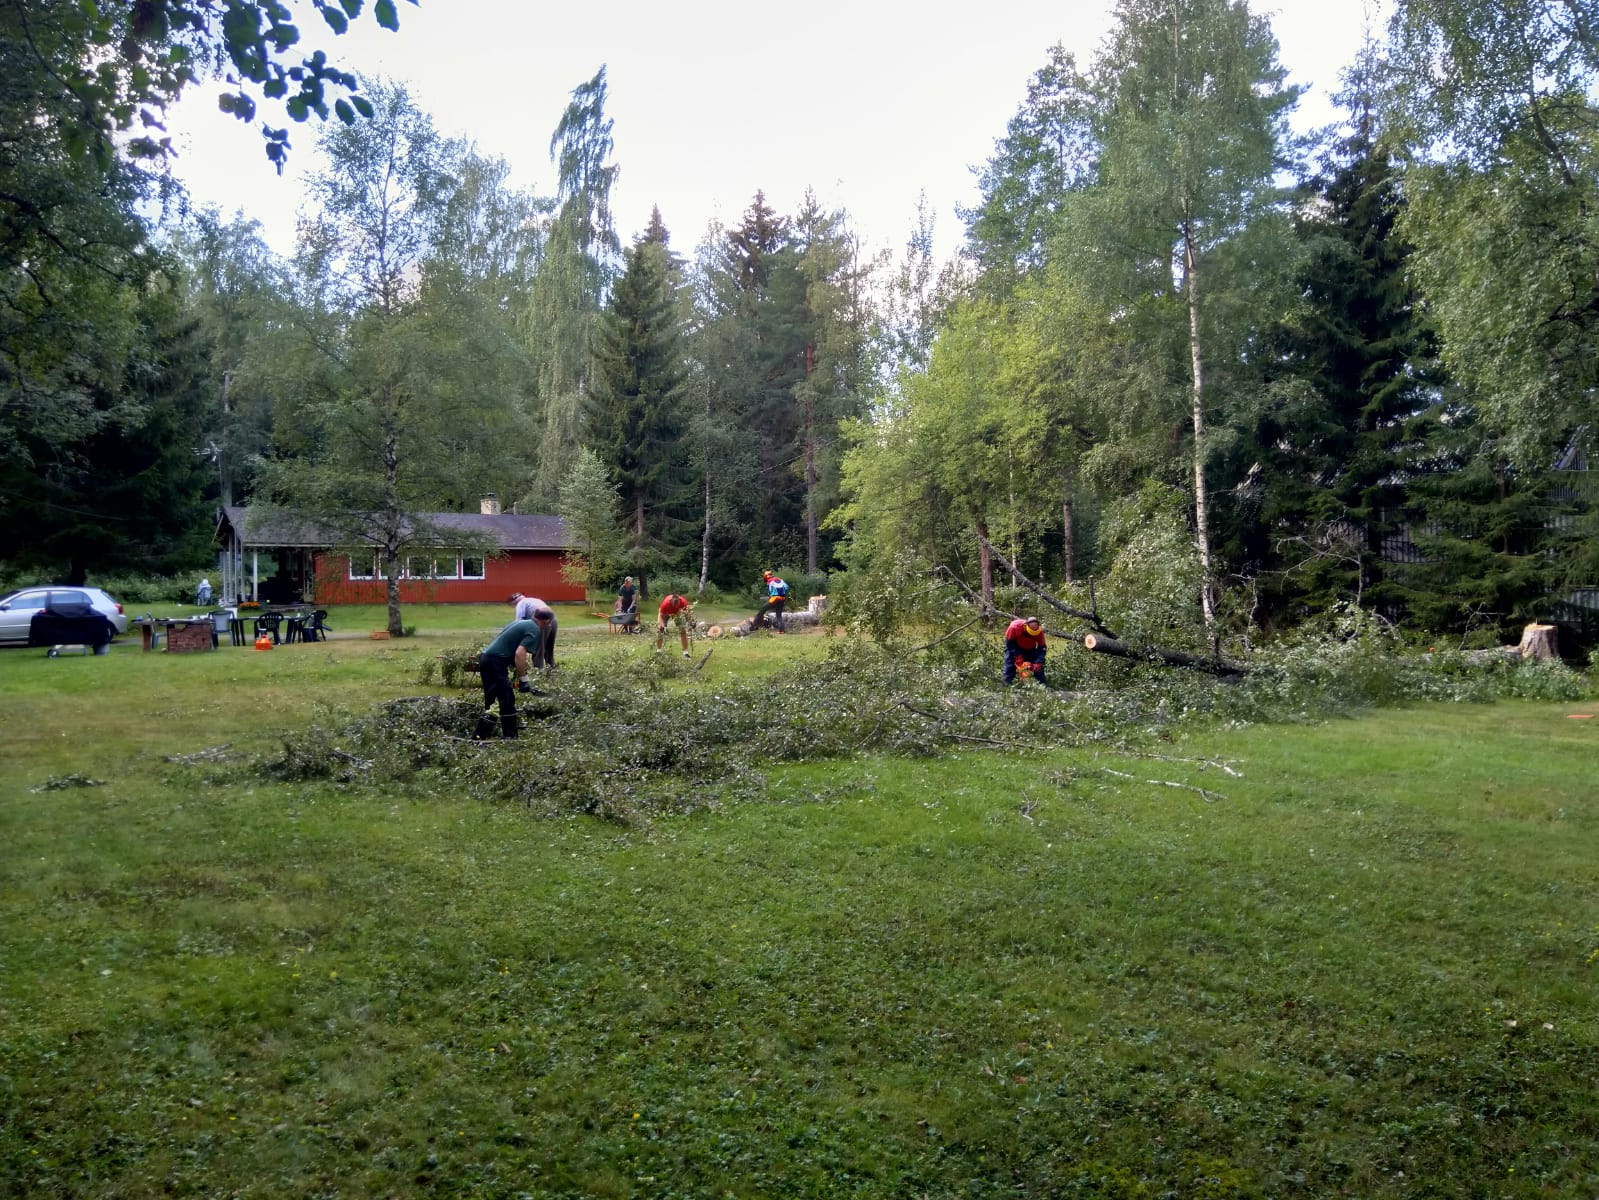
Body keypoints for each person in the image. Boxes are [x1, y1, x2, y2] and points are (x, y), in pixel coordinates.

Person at [474, 617, 546, 739]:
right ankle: (510, 738)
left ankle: (480, 738)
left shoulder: (521, 622)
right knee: (506, 700)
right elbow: (519, 653)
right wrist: (523, 680)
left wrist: (520, 679)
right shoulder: (533, 628)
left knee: (493, 701)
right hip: (495, 663)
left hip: (487, 659)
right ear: (546, 621)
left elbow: (513, 655)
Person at [507, 594, 557, 684]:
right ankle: (552, 672)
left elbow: (519, 621)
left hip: (543, 621)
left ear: (514, 602)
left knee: (539, 649)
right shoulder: (533, 599)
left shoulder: (521, 604)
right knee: (549, 649)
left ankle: (539, 674)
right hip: (553, 619)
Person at [1003, 616, 1047, 685]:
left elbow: (1042, 648)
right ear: (1025, 627)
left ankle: (1043, 687)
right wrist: (1017, 656)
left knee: (1038, 670)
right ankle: (1007, 687)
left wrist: (1039, 662)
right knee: (1009, 666)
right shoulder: (1014, 627)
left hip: (1030, 648)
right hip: (1014, 646)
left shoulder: (1039, 632)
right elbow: (1009, 644)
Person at [656, 592, 693, 657]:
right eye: (674, 605)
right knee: (660, 630)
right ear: (671, 601)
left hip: (678, 613)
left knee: (683, 631)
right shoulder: (665, 604)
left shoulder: (683, 602)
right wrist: (662, 625)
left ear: (679, 601)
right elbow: (660, 615)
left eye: (677, 605)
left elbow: (688, 614)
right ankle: (658, 651)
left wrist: (691, 622)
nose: (676, 606)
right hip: (666, 612)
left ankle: (686, 653)